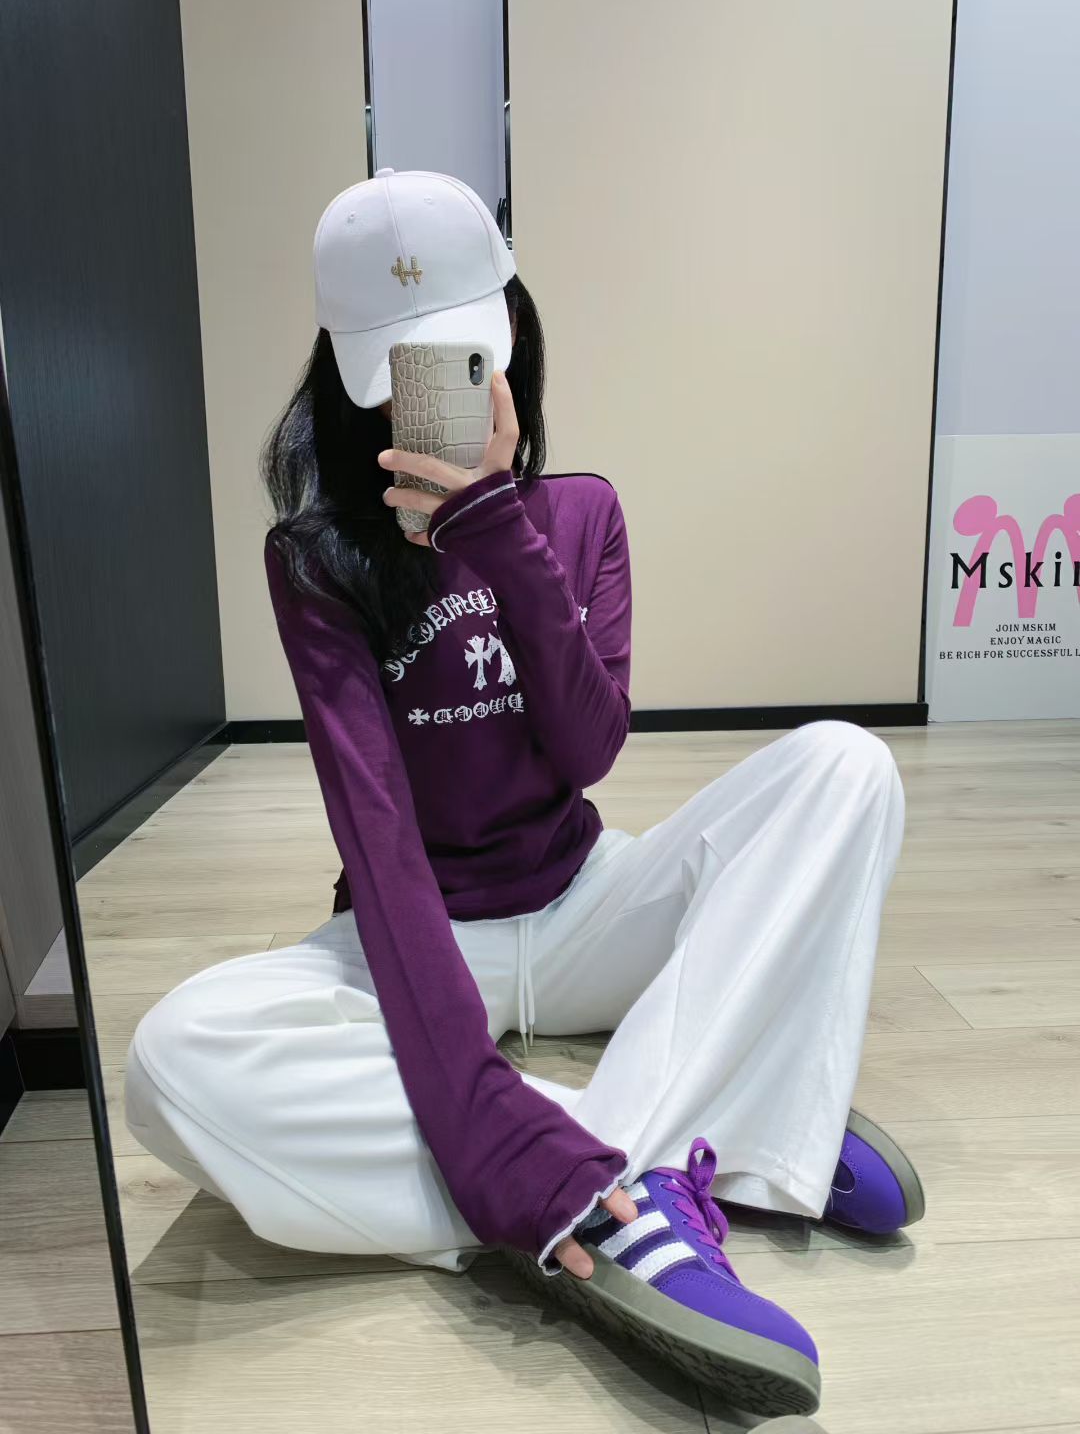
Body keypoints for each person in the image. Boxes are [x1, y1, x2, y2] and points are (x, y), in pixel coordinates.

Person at [124, 170, 920, 1418]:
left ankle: (643, 1165)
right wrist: (496, 1126)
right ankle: (725, 1135)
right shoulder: (317, 561)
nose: (429, 395)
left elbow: (589, 746)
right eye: (397, 372)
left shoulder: (579, 512)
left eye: (456, 359)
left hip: (588, 899)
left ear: (511, 338)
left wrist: (497, 527)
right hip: (425, 929)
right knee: (174, 1060)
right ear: (347, 378)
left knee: (844, 766)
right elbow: (377, 838)